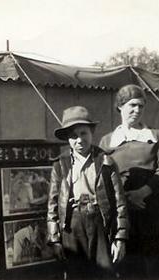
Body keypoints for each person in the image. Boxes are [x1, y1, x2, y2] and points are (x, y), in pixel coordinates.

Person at [99, 84, 159, 279]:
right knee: (127, 267)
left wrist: (142, 193)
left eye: (141, 106)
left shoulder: (155, 136)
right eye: (132, 105)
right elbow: (103, 178)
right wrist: (125, 199)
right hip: (123, 214)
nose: (137, 110)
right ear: (120, 107)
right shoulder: (107, 141)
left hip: (151, 210)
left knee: (152, 267)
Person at [47, 106, 128, 279]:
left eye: (83, 133)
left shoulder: (106, 161)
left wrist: (120, 238)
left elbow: (120, 202)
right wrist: (55, 238)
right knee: (77, 273)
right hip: (72, 226)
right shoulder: (60, 164)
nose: (79, 140)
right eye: (73, 136)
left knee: (104, 273)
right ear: (68, 139)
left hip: (100, 223)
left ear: (92, 133)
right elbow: (53, 204)